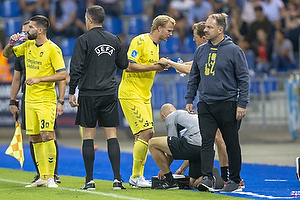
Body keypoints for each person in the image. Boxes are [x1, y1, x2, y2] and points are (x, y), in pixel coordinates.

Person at [157, 21, 230, 183]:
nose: (193, 40)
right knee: (208, 138)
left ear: (204, 37)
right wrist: (178, 65)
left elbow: (191, 70)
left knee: (218, 138)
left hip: (217, 99)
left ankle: (225, 177)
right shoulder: (206, 51)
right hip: (209, 99)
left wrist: (170, 63)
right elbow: (192, 65)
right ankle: (214, 175)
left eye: (195, 37)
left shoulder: (212, 51)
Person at [185, 13, 250, 192]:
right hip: (205, 103)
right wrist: (189, 98)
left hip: (227, 103)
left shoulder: (234, 50)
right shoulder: (200, 51)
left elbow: (244, 79)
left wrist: (242, 104)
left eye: (209, 27)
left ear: (220, 30)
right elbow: (194, 77)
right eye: (205, 27)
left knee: (231, 142)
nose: (205, 30)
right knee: (206, 142)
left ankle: (235, 180)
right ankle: (207, 177)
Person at [68, 5, 128, 190]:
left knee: (88, 136)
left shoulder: (83, 40)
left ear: (89, 19)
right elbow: (123, 63)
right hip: (109, 92)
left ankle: (90, 181)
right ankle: (117, 179)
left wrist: (71, 92)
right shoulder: (114, 39)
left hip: (88, 93)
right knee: (111, 135)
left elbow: (76, 68)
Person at [3, 15, 67, 188]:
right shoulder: (27, 45)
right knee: (34, 136)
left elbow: (63, 75)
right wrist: (11, 43)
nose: (26, 30)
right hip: (29, 100)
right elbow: (6, 54)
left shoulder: (53, 49)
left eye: (30, 27)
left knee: (48, 134)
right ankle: (43, 176)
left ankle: (52, 177)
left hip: (45, 99)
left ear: (39, 30)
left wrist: (40, 79)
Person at [118, 15, 175, 188]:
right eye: (169, 30)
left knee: (143, 134)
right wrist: (154, 67)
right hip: (130, 92)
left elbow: (148, 66)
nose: (171, 34)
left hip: (144, 95)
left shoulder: (155, 46)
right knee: (147, 132)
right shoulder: (140, 41)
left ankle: (137, 177)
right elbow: (128, 65)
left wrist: (160, 66)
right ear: (159, 28)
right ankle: (136, 176)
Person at [148, 103, 224, 190]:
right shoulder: (189, 116)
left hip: (194, 145)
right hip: (208, 149)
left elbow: (171, 146)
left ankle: (170, 182)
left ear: (163, 115)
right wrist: (181, 169)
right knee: (192, 183)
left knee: (152, 143)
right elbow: (190, 149)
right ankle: (210, 177)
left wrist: (165, 170)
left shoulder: (171, 117)